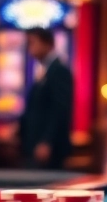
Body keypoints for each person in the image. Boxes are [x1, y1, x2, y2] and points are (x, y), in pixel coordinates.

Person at [18, 27, 73, 169]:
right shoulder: (46, 69)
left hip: (49, 149)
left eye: (32, 43)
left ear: (47, 44)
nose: (29, 48)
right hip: (35, 145)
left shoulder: (59, 71)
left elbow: (60, 110)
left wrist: (46, 141)